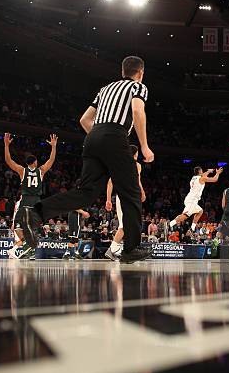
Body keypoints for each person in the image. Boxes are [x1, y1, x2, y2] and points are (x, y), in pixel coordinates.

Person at [19, 56, 155, 264]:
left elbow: (84, 119)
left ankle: (35, 213)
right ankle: (130, 249)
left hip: (93, 137)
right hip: (115, 136)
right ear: (140, 73)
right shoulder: (138, 87)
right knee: (131, 193)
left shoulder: (105, 89)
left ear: (122, 71)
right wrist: (144, 146)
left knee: (85, 193)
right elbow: (137, 111)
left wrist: (99, 138)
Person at [4, 132, 57, 259]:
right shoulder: (41, 171)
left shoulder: (22, 171)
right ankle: (30, 250)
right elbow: (51, 160)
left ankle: (27, 247)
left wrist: (6, 145)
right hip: (37, 201)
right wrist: (54, 146)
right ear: (34, 162)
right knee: (33, 227)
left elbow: (8, 160)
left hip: (26, 200)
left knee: (17, 226)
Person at [104, 145, 146, 261]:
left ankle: (125, 249)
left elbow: (110, 183)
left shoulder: (120, 164)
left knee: (130, 225)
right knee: (125, 225)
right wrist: (142, 192)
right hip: (126, 197)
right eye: (137, 154)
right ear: (135, 154)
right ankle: (112, 250)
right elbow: (137, 181)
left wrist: (108, 199)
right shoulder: (136, 165)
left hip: (125, 196)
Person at [170, 166, 223, 232]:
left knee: (200, 211)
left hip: (190, 199)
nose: (203, 171)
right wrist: (217, 173)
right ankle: (170, 224)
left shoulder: (194, 177)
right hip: (192, 200)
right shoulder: (201, 178)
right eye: (201, 170)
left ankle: (192, 228)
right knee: (185, 215)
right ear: (199, 172)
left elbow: (203, 175)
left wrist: (209, 171)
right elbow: (214, 179)